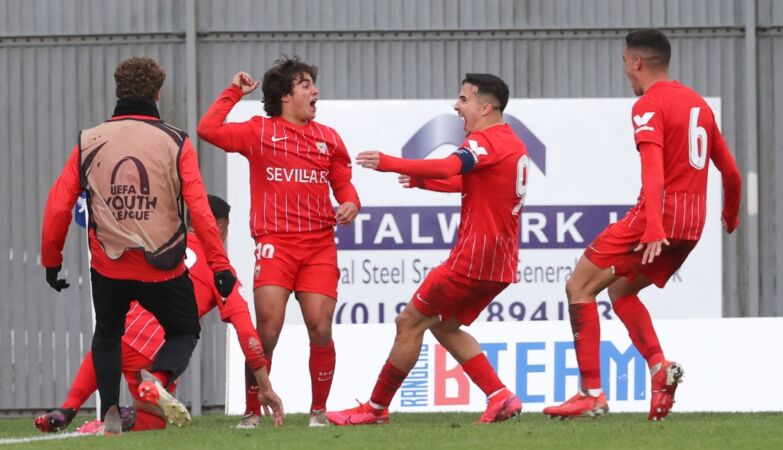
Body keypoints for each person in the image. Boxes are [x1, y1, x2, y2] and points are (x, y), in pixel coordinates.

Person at [542, 29, 742, 421]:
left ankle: (591, 394)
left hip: (658, 219)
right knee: (620, 291)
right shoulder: (698, 104)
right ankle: (658, 370)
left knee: (578, 286)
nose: (625, 72)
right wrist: (731, 213)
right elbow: (731, 171)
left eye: (624, 62)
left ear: (636, 62)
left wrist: (652, 226)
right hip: (691, 225)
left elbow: (652, 170)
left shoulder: (649, 106)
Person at [41, 57, 239, 434]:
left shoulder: (88, 140)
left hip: (109, 266)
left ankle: (112, 410)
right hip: (162, 267)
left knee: (107, 335)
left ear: (118, 91)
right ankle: (159, 379)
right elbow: (199, 207)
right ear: (158, 93)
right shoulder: (176, 141)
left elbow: (58, 205)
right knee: (184, 330)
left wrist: (52, 262)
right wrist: (220, 266)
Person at [327, 73, 529, 426]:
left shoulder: (485, 142)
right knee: (444, 325)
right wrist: (423, 183)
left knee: (409, 322)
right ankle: (500, 395)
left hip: (472, 258)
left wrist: (390, 162)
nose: (456, 105)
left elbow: (450, 166)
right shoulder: (510, 142)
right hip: (500, 261)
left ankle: (375, 409)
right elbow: (472, 184)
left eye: (463, 99)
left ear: (484, 107)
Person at [197, 56, 360, 427]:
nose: (315, 91)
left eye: (312, 85)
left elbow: (343, 183)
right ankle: (252, 411)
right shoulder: (258, 131)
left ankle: (318, 411)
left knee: (320, 325)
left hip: (319, 244)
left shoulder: (329, 139)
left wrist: (350, 202)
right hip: (276, 243)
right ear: (286, 96)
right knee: (267, 329)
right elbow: (208, 129)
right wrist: (234, 92)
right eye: (305, 85)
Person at [35, 195, 284, 433]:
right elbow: (245, 330)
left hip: (124, 330)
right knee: (154, 420)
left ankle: (66, 409)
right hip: (158, 352)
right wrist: (265, 385)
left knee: (105, 346)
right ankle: (137, 405)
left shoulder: (160, 243)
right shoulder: (220, 269)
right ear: (219, 227)